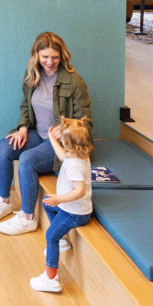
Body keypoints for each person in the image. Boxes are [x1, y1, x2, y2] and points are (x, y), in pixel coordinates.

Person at [0, 32, 93, 235]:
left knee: (27, 160)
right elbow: (26, 105)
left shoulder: (75, 81)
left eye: (55, 57)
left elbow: (87, 122)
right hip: (37, 134)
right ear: (36, 55)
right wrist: (23, 128)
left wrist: (66, 128)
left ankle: (27, 218)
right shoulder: (32, 75)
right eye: (45, 57)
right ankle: (4, 201)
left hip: (62, 144)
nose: (50, 62)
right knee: (3, 148)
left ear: (62, 56)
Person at [30, 117, 94, 293]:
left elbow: (80, 191)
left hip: (75, 212)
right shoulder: (78, 155)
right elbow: (61, 156)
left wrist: (59, 199)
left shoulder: (75, 164)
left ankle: (51, 278)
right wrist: (52, 138)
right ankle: (63, 241)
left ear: (67, 142)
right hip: (71, 207)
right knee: (47, 204)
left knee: (51, 235)